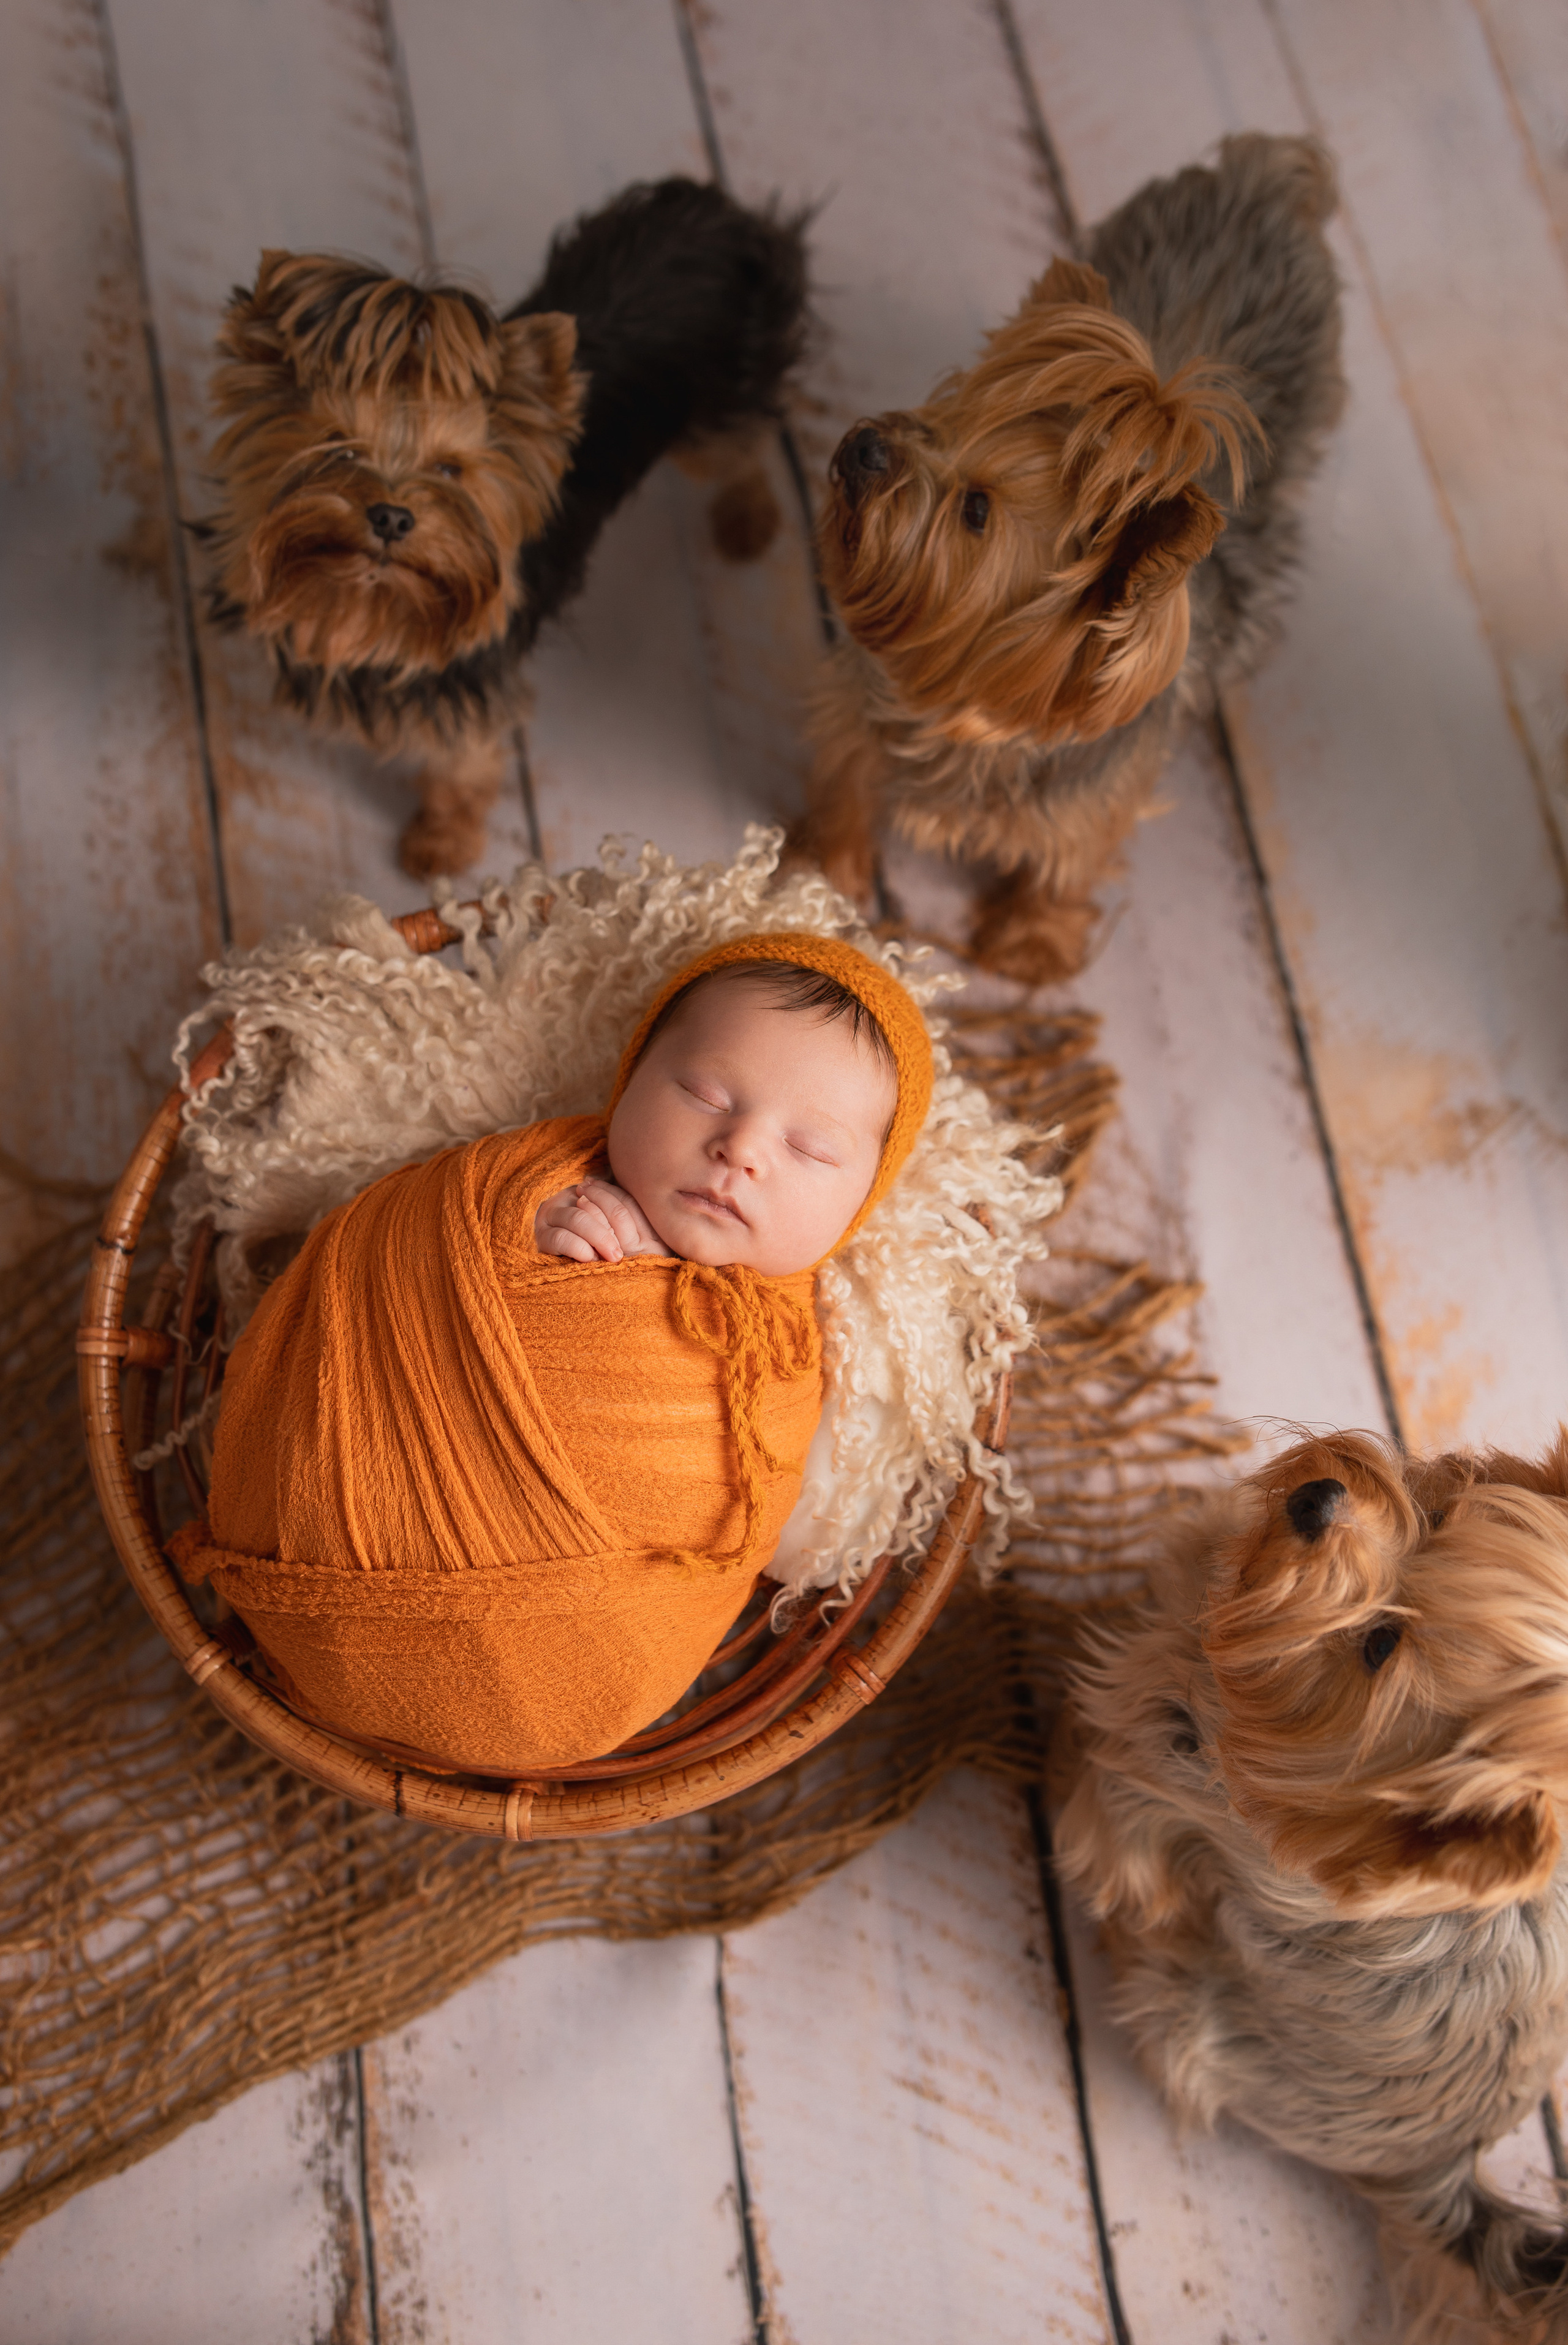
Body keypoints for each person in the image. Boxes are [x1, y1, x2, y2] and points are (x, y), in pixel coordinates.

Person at [173, 932, 933, 1774]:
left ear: (860, 1204)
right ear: (630, 1080)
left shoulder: (791, 1349)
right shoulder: (535, 1182)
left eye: (809, 1149)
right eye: (705, 1094)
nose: (742, 1149)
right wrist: (519, 1230)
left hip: (571, 1680)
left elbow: (755, 1509)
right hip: (300, 1526)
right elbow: (394, 1240)